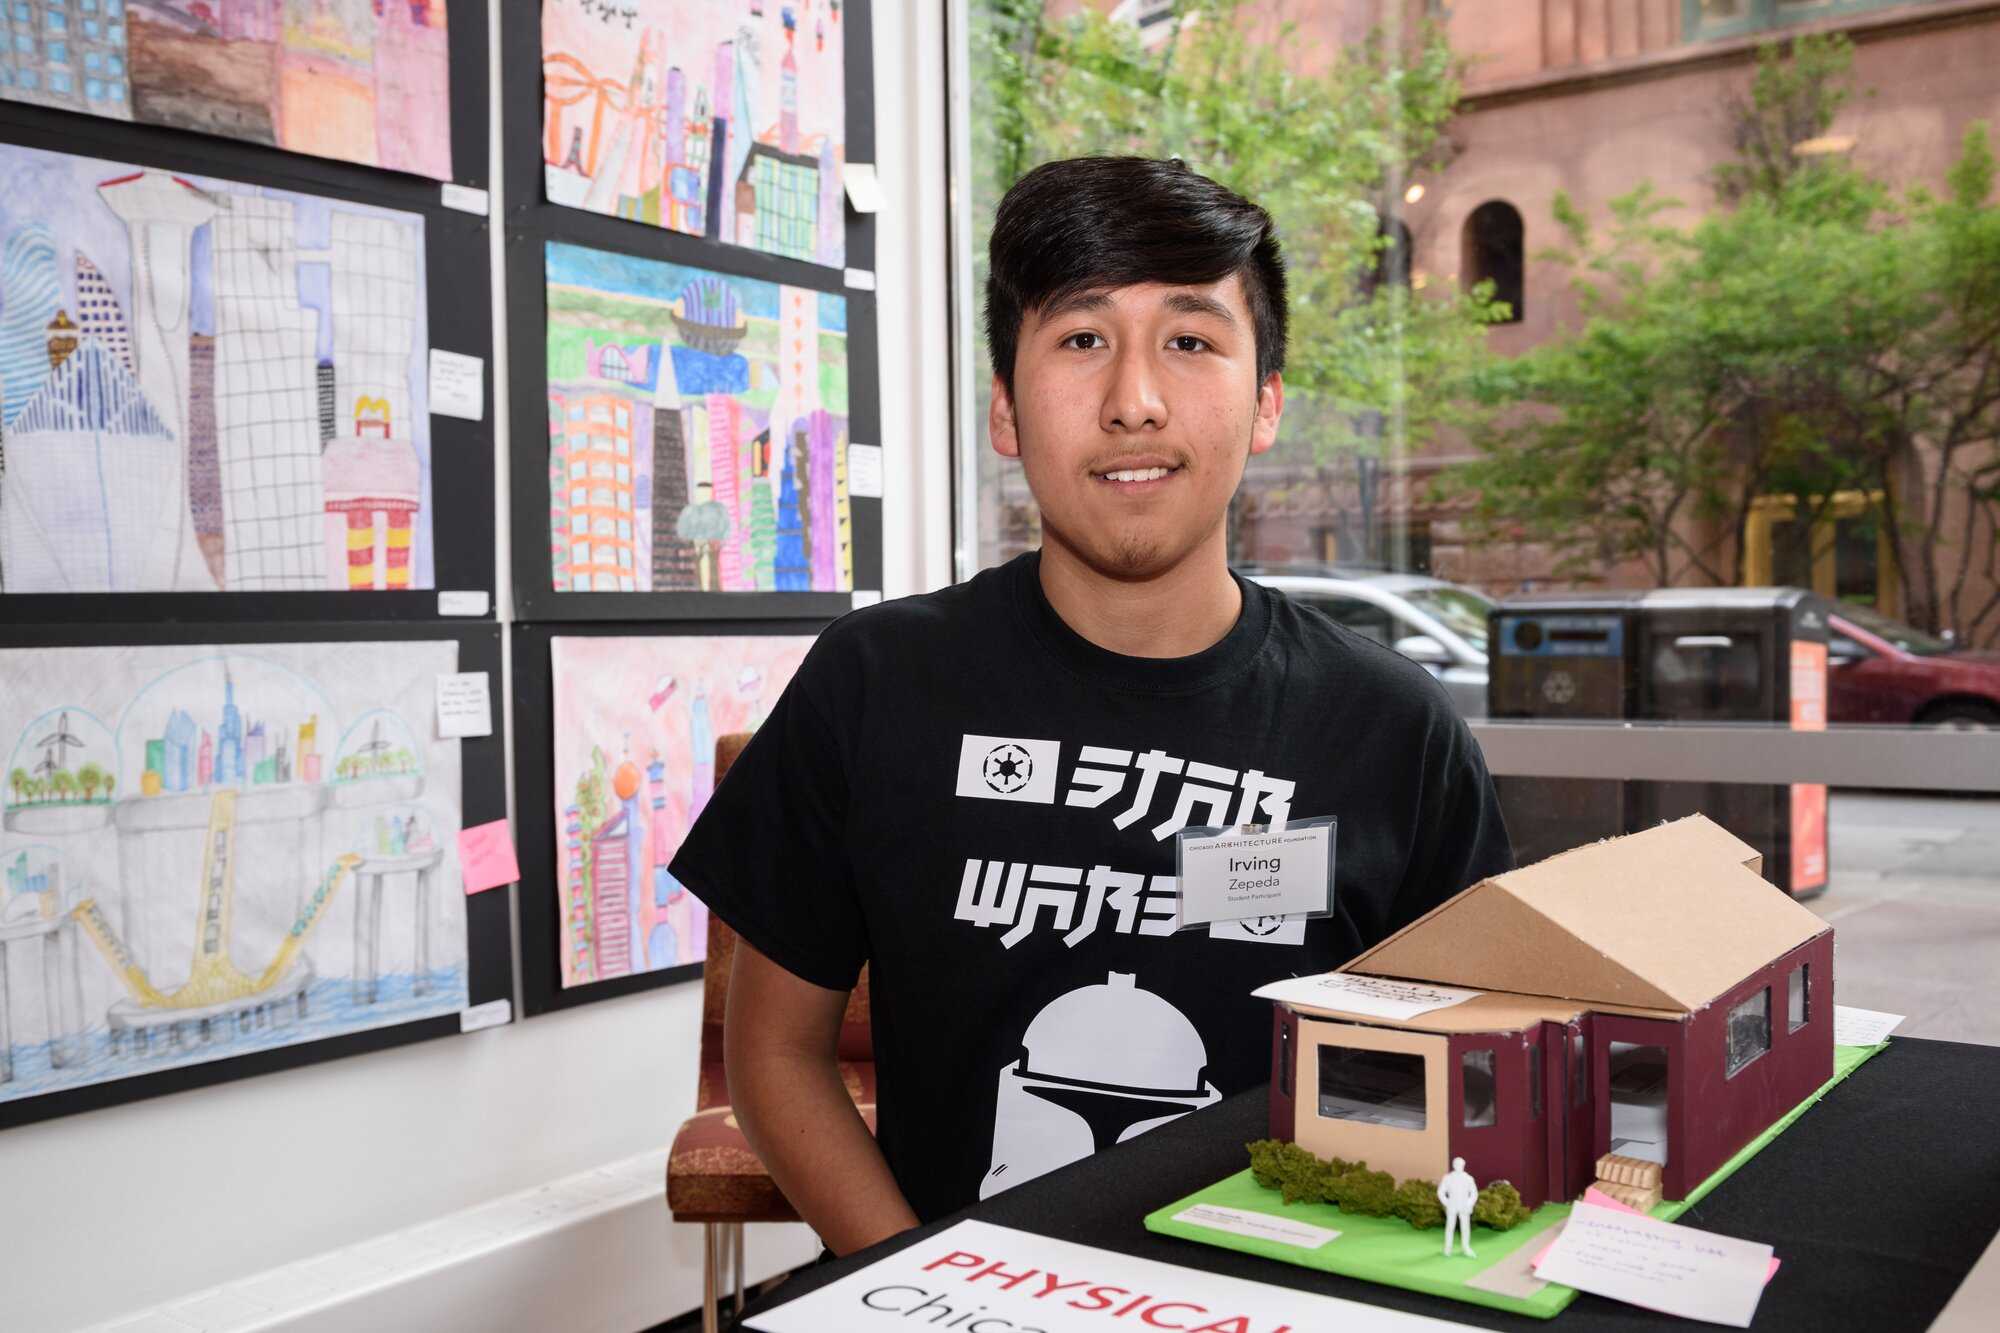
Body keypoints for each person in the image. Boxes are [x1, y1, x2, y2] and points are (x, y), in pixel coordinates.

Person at [669, 156, 1511, 1257]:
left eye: (1189, 339)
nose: (1133, 401)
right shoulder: (877, 683)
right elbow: (775, 1054)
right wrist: (926, 1292)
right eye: (1079, 339)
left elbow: (1467, 1077)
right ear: (1006, 410)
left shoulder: (1391, 729)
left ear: (1265, 402)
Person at [1439, 1157, 1479, 1258]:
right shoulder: (1447, 1178)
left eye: (1460, 1165)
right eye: (1456, 1164)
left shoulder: (1468, 1178)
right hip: (1452, 1206)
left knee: (1465, 1228)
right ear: (1453, 1165)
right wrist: (1447, 1203)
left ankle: (1466, 1247)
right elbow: (1440, 1192)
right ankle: (1448, 1248)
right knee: (1450, 1227)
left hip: (1464, 1206)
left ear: (1463, 1165)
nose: (1458, 1166)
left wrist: (1469, 1204)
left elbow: (1474, 1193)